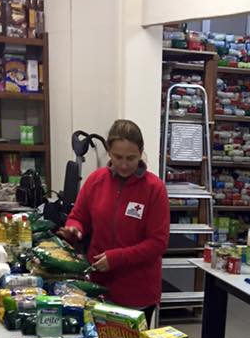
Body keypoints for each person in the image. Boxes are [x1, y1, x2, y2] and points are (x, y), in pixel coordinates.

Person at [59, 119, 169, 324]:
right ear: (109, 151)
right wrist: (74, 229)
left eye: (131, 158)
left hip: (136, 293)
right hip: (97, 287)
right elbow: (78, 217)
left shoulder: (155, 189)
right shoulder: (95, 180)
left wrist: (116, 258)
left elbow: (158, 243)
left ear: (141, 152)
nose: (124, 165)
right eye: (118, 157)